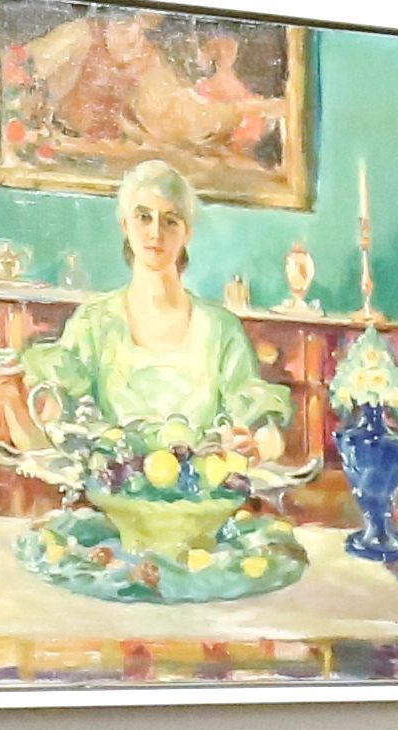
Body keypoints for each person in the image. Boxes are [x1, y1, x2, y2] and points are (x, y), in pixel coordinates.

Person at [17, 160, 295, 488]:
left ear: (187, 232)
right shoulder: (94, 322)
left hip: (202, 495)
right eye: (143, 217)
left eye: (171, 221)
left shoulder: (221, 328)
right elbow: (58, 412)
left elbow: (260, 421)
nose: (155, 233)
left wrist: (262, 443)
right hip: (111, 492)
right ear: (125, 224)